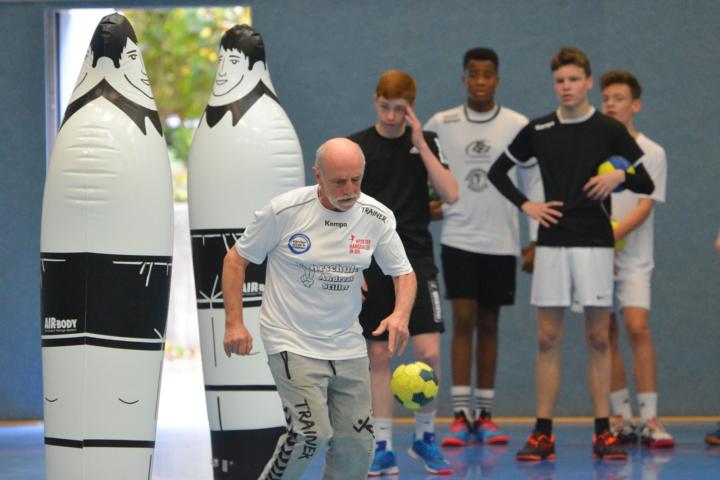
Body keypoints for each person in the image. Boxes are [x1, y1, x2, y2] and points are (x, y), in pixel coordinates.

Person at [487, 47, 655, 462]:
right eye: (560, 81)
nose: (566, 87)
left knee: (598, 338)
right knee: (547, 338)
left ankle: (604, 432)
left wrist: (619, 174)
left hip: (595, 242)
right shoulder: (539, 128)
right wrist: (527, 205)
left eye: (574, 80)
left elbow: (646, 181)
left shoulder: (608, 129)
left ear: (588, 82)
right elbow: (497, 171)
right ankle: (542, 433)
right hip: (552, 243)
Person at [222, 138, 417, 480]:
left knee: (358, 444)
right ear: (317, 176)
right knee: (311, 435)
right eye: (339, 182)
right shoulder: (284, 212)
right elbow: (235, 260)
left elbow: (404, 272)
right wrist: (234, 323)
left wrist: (400, 314)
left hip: (346, 343)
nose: (349, 190)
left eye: (356, 179)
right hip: (291, 339)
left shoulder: (376, 216)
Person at [424, 47, 542, 447]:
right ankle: (460, 414)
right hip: (458, 237)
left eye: (487, 74)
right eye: (472, 74)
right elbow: (421, 167)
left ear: (497, 79)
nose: (479, 81)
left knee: (490, 323)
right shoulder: (441, 123)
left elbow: (532, 184)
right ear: (463, 79)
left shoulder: (518, 125)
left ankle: (485, 415)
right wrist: (426, 204)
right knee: (464, 317)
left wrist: (534, 239)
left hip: (502, 241)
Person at [348, 70, 459, 476]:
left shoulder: (426, 142)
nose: (392, 116)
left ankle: (425, 439)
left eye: (400, 109)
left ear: (410, 108)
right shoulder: (358, 147)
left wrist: (421, 144)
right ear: (375, 101)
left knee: (429, 352)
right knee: (378, 355)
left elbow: (451, 194)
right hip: (372, 262)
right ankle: (382, 447)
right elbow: (345, 208)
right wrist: (351, 262)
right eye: (385, 107)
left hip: (417, 260)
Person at [598, 70, 674, 448]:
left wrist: (610, 238)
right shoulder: (592, 149)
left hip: (635, 260)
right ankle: (621, 418)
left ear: (636, 105)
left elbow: (644, 207)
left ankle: (650, 418)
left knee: (637, 327)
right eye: (606, 98)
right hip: (598, 258)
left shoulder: (652, 152)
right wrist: (600, 246)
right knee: (605, 332)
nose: (611, 104)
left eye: (619, 98)